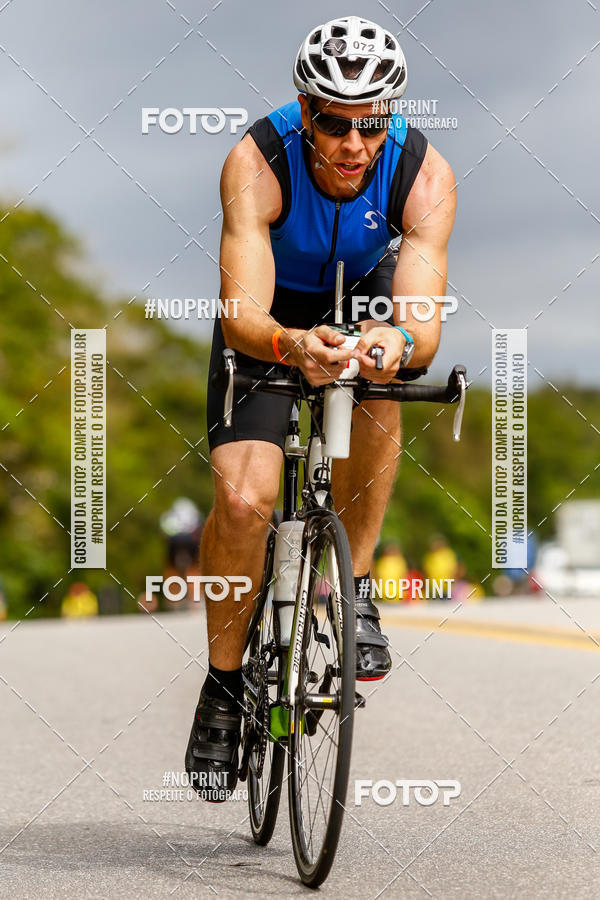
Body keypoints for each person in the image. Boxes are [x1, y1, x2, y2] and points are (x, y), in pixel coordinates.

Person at [186, 15, 457, 800]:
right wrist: (293, 346)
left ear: (392, 116)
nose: (352, 143)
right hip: (270, 309)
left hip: (365, 295)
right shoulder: (256, 161)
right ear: (304, 111)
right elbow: (241, 316)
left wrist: (392, 343)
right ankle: (225, 685)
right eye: (333, 123)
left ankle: (358, 586)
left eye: (371, 123)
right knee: (245, 498)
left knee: (379, 388)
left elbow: (424, 328)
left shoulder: (423, 174)